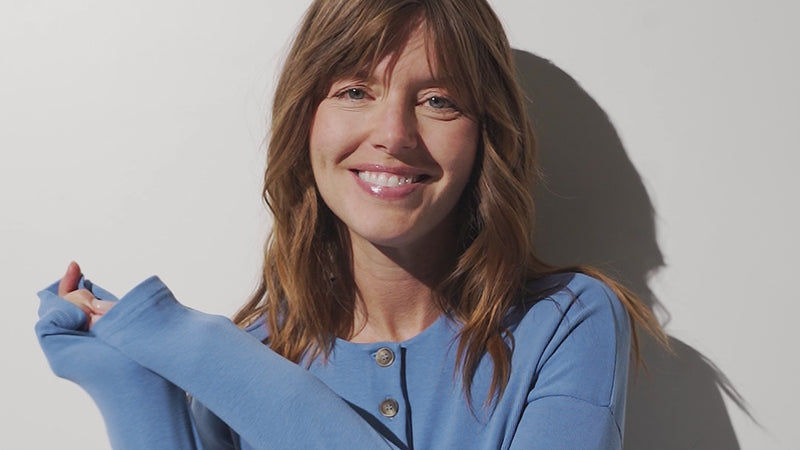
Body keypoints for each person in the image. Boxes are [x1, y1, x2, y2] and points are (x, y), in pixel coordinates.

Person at [36, 0, 666, 448]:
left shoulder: (563, 323)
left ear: (486, 136)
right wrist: (132, 385)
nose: (393, 134)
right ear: (305, 119)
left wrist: (201, 350)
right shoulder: (257, 357)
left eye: (438, 100)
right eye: (355, 91)